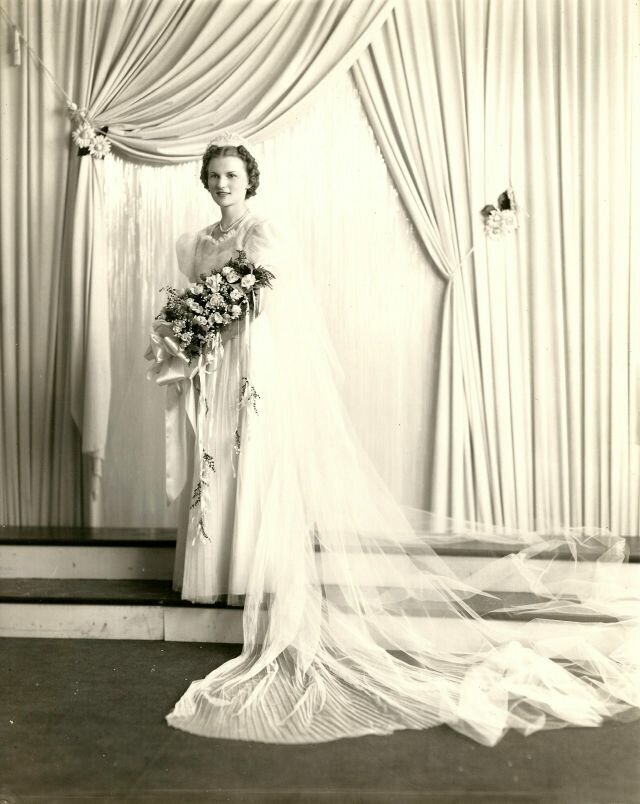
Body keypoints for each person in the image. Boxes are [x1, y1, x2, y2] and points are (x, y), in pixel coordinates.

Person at [146, 132, 639, 746]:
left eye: (231, 176)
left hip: (252, 361)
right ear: (206, 182)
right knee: (214, 461)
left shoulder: (263, 231)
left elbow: (267, 301)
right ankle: (208, 573)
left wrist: (224, 312)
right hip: (214, 366)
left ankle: (249, 570)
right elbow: (196, 297)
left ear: (249, 181)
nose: (223, 184)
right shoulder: (193, 242)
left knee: (249, 459)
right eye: (214, 176)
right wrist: (192, 327)